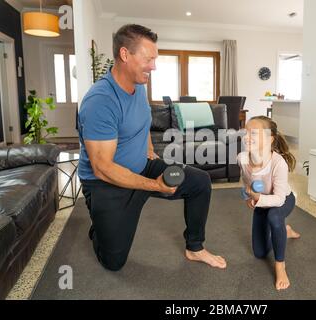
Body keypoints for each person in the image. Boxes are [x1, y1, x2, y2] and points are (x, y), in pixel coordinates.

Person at [77, 24, 226, 271]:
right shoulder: (100, 101)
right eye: (149, 59)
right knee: (113, 261)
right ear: (125, 55)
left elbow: (142, 120)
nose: (154, 67)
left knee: (199, 182)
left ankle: (195, 247)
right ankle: (99, 228)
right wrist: (155, 185)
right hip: (107, 183)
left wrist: (148, 149)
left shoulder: (138, 85)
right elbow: (102, 168)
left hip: (143, 167)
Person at [238, 116, 300, 290]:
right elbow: (246, 182)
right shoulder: (243, 158)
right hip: (262, 201)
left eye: (254, 133)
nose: (247, 137)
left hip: (283, 200)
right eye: (246, 132)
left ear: (270, 139)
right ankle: (284, 230)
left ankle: (280, 265)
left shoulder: (278, 163)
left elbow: (279, 199)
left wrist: (258, 199)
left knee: (274, 216)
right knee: (259, 253)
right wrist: (249, 198)